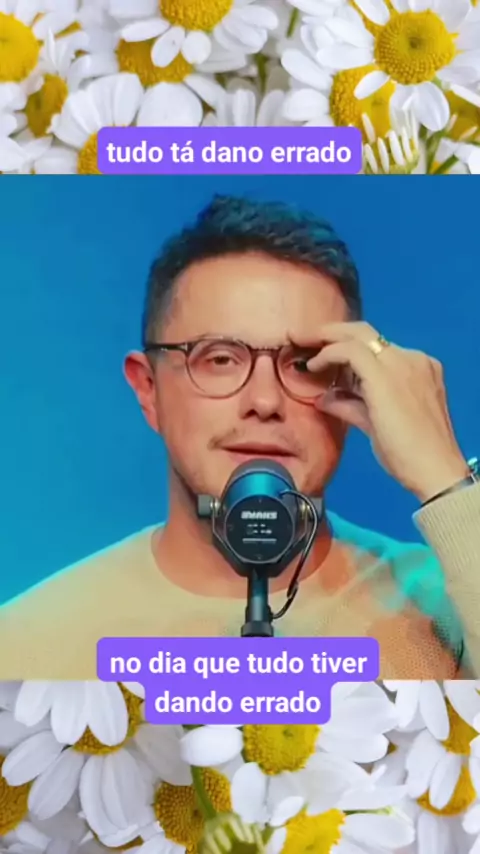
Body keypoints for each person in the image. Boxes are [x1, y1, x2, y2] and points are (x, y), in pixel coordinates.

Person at [1, 194, 479, 680]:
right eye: (220, 359)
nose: (265, 401)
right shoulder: (23, 647)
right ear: (148, 390)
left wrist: (445, 480)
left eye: (303, 365)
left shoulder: (451, 607)